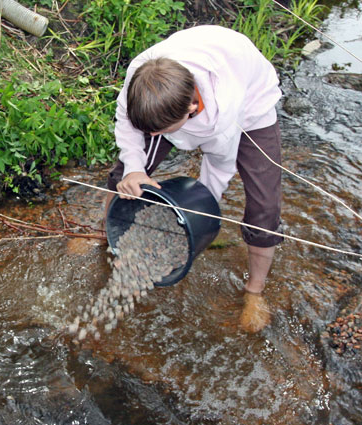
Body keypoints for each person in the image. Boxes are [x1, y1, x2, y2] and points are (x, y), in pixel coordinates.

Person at [106, 25, 283, 332]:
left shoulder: (223, 112)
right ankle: (106, 238)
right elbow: (128, 124)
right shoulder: (143, 78)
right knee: (124, 174)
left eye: (158, 132)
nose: (151, 137)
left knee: (264, 209)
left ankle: (255, 291)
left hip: (250, 101)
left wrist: (195, 216)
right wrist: (135, 168)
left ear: (190, 109)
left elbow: (218, 167)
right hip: (177, 94)